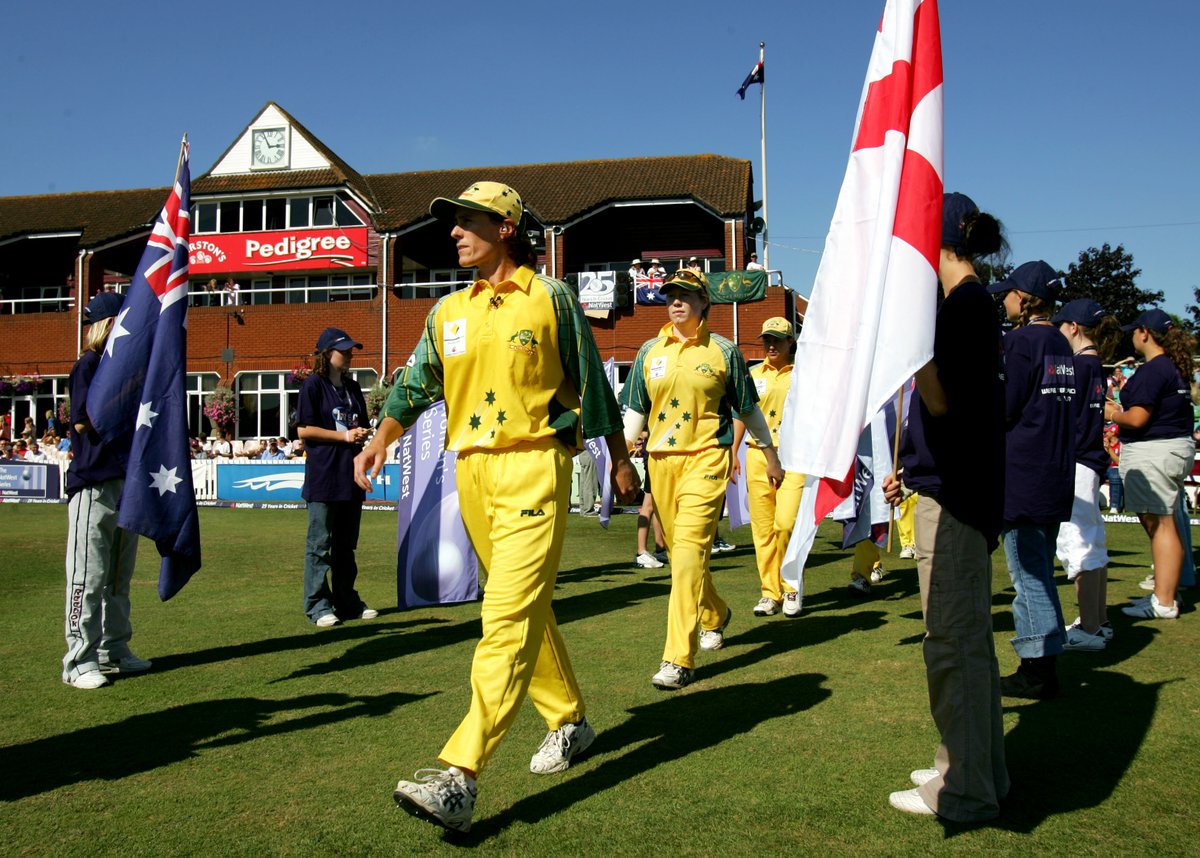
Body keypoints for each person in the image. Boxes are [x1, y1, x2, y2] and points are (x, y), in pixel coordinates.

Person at [354, 181, 638, 833]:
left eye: (466, 222)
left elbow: (591, 383)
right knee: (524, 608)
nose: (453, 232)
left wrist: (619, 459)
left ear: (505, 227)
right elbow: (415, 383)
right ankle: (569, 721)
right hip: (472, 473)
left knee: (503, 616)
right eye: (451, 223)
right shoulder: (447, 312)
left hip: (535, 466)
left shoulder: (551, 298)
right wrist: (379, 442)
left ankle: (462, 774)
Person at [883, 191, 1008, 820]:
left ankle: (964, 788)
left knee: (951, 643)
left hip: (955, 499)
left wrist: (909, 344)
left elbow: (940, 400)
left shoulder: (965, 307)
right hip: (958, 489)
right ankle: (976, 769)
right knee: (970, 645)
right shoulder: (970, 304)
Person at [621, 267, 783, 690]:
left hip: (708, 460)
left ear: (704, 303)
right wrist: (620, 459)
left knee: (690, 553)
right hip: (660, 463)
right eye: (671, 294)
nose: (677, 301)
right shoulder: (648, 352)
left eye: (686, 295)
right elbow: (636, 411)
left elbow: (749, 410)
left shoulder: (724, 352)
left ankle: (679, 657)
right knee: (681, 559)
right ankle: (714, 612)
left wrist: (769, 456)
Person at [986, 261, 1075, 700]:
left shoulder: (1020, 342)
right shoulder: (1060, 341)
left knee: (1028, 578)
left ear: (1022, 299)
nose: (1002, 300)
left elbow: (1002, 405)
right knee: (1039, 571)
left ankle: (1038, 669)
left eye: (1007, 293)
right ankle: (1044, 662)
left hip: (1023, 476)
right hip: (1054, 473)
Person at [61, 291, 152, 689]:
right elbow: (83, 421)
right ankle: (78, 658)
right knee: (88, 573)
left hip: (124, 482)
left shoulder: (128, 371)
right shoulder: (89, 365)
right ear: (109, 324)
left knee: (118, 575)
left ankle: (113, 648)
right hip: (93, 482)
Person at [1107, 309, 1196, 621]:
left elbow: (1137, 418)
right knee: (1164, 524)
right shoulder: (1171, 367)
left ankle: (1164, 600)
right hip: (1169, 448)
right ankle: (1165, 593)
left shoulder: (1156, 369)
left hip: (1155, 450)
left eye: (1134, 330)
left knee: (1161, 526)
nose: (1131, 336)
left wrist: (1110, 414)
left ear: (1145, 333)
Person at [1053, 299, 1122, 650]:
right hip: (1089, 460)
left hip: (1077, 460)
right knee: (1093, 542)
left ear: (1073, 328)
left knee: (1078, 543)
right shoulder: (1096, 366)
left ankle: (1090, 628)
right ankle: (1098, 621)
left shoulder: (1079, 366)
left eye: (1060, 327)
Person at [296, 327, 376, 628]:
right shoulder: (312, 386)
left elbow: (361, 427)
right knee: (320, 545)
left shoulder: (354, 389)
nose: (351, 355)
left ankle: (347, 601)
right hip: (324, 477)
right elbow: (304, 430)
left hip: (351, 477)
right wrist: (344, 436)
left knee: (346, 546)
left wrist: (365, 434)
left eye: (352, 350)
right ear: (326, 354)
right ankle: (317, 605)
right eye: (345, 350)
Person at [732, 317, 802, 617]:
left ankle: (792, 588)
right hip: (756, 455)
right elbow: (741, 414)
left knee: (785, 524)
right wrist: (732, 451)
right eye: (766, 339)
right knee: (763, 530)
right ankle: (770, 592)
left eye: (778, 339)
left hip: (794, 456)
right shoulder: (752, 374)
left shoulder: (803, 374)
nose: (771, 345)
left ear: (791, 343)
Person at [632, 431, 668, 568]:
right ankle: (641, 552)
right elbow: (644, 431)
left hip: (659, 457)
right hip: (655, 458)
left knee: (657, 505)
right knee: (648, 506)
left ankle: (660, 549)